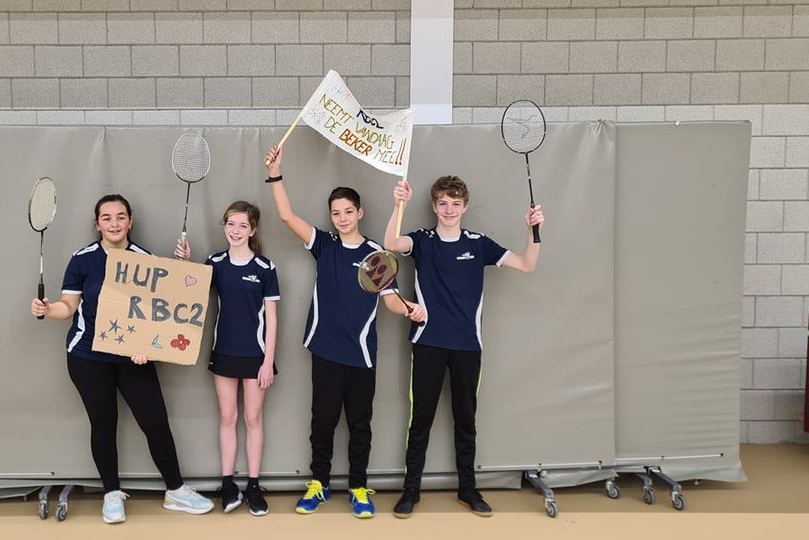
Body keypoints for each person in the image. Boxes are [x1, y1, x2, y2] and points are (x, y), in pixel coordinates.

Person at [31, 194, 214, 524]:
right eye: (106, 218)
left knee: (155, 422)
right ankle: (111, 494)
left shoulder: (145, 260)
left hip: (133, 357)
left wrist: (149, 344)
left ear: (130, 222)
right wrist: (47, 310)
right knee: (103, 423)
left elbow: (158, 315)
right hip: (87, 357)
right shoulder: (82, 259)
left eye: (120, 217)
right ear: (96, 223)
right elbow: (67, 306)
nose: (113, 223)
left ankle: (176, 490)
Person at [264, 146, 426, 519]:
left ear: (360, 213)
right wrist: (275, 172)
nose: (341, 218)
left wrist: (410, 309)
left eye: (347, 212)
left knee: (359, 424)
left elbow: (389, 302)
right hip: (324, 349)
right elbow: (287, 216)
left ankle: (358, 488)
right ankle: (318, 484)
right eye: (335, 213)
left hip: (361, 354)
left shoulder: (375, 255)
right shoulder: (325, 245)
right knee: (322, 421)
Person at [381, 176, 545, 518]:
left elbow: (528, 265)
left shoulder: (479, 244)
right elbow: (391, 242)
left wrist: (533, 231)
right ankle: (411, 490)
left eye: (456, 204)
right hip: (427, 343)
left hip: (468, 347)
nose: (449, 210)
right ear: (434, 206)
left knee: (465, 420)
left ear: (465, 206)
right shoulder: (424, 241)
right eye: (443, 203)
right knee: (420, 418)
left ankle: (468, 490)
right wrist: (399, 204)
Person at [174, 201, 278, 517]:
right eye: (231, 224)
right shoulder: (215, 263)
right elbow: (191, 289)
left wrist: (267, 361)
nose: (235, 231)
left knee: (253, 420)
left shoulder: (265, 268)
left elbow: (272, 319)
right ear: (224, 226)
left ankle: (254, 487)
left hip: (256, 356)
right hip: (224, 354)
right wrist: (186, 262)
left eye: (243, 226)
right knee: (228, 418)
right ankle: (228, 484)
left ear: (253, 230)